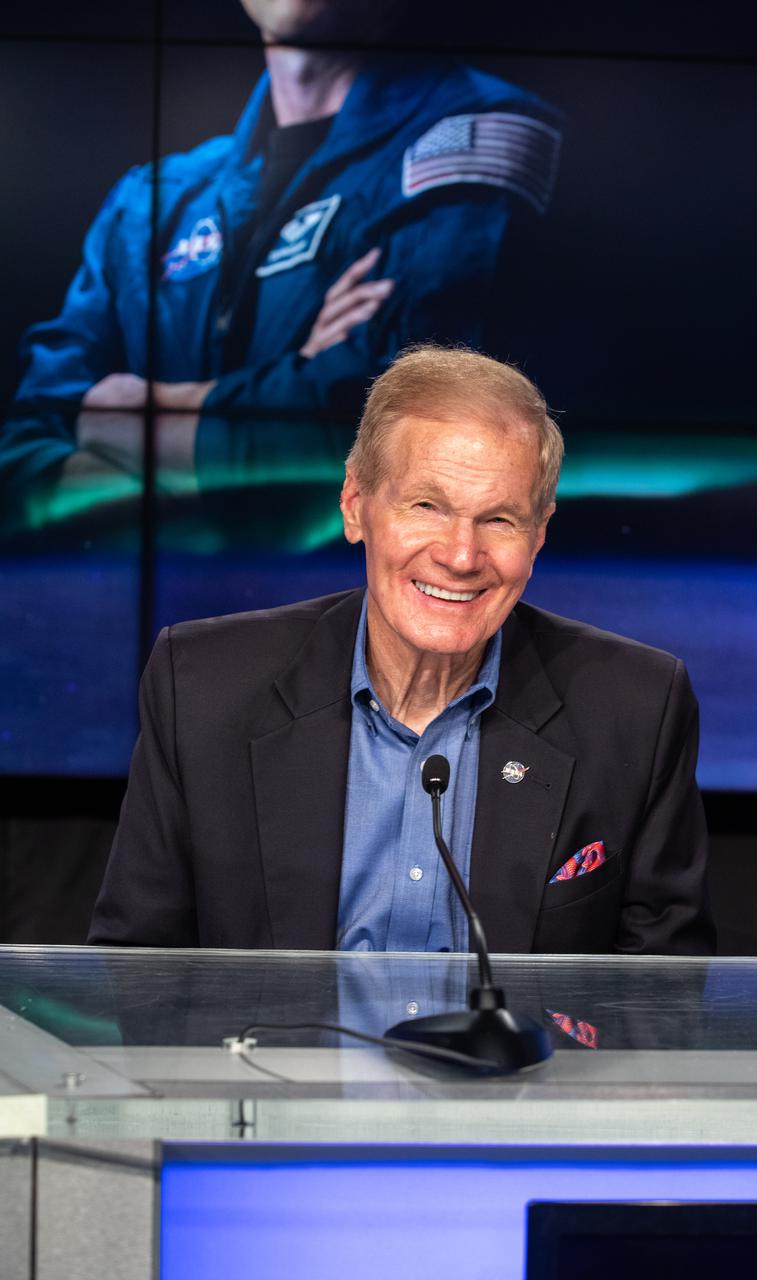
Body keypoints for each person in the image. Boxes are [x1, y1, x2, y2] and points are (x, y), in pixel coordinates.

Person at [89, 345, 715, 955]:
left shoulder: (635, 710)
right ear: (355, 505)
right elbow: (137, 973)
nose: (461, 556)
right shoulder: (203, 687)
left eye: (499, 520)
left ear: (540, 533)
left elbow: (660, 1001)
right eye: (426, 506)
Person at [0, 0, 562, 534]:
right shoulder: (151, 202)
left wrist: (127, 429)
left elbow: (372, 431)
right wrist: (286, 389)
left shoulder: (476, 132)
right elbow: (30, 437)